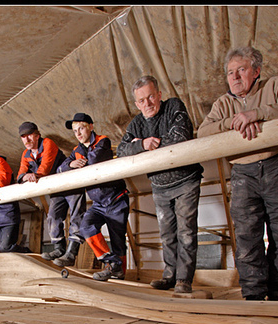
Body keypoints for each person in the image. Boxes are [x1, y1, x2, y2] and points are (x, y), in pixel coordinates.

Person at [197, 46, 278, 301]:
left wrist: (258, 114)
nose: (235, 77)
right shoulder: (223, 103)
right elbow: (203, 133)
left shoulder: (275, 87)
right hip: (243, 174)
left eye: (241, 70)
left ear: (256, 71)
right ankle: (254, 298)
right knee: (248, 240)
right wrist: (235, 121)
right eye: (230, 73)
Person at [116, 75, 203, 294]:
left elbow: (181, 135)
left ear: (159, 95)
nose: (147, 103)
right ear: (137, 104)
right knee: (166, 233)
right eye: (142, 100)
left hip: (186, 181)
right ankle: (170, 275)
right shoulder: (137, 123)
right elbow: (121, 151)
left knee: (186, 232)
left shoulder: (174, 106)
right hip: (159, 186)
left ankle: (184, 279)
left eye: (151, 97)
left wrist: (150, 143)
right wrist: (142, 144)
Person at [56, 113, 129, 281]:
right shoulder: (77, 150)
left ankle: (119, 273)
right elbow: (61, 168)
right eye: (75, 131)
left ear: (91, 126)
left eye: (81, 128)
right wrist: (70, 164)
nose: (78, 134)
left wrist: (77, 164)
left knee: (118, 240)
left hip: (116, 199)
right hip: (98, 203)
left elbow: (95, 160)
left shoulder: (103, 141)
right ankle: (112, 263)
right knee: (86, 226)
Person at [16, 121, 86, 263]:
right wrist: (25, 176)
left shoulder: (48, 143)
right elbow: (20, 175)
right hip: (56, 188)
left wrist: (33, 175)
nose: (27, 140)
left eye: (30, 136)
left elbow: (44, 170)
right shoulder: (26, 154)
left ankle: (72, 253)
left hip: (70, 182)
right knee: (53, 217)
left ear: (37, 136)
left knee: (76, 215)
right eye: (23, 137)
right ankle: (59, 248)